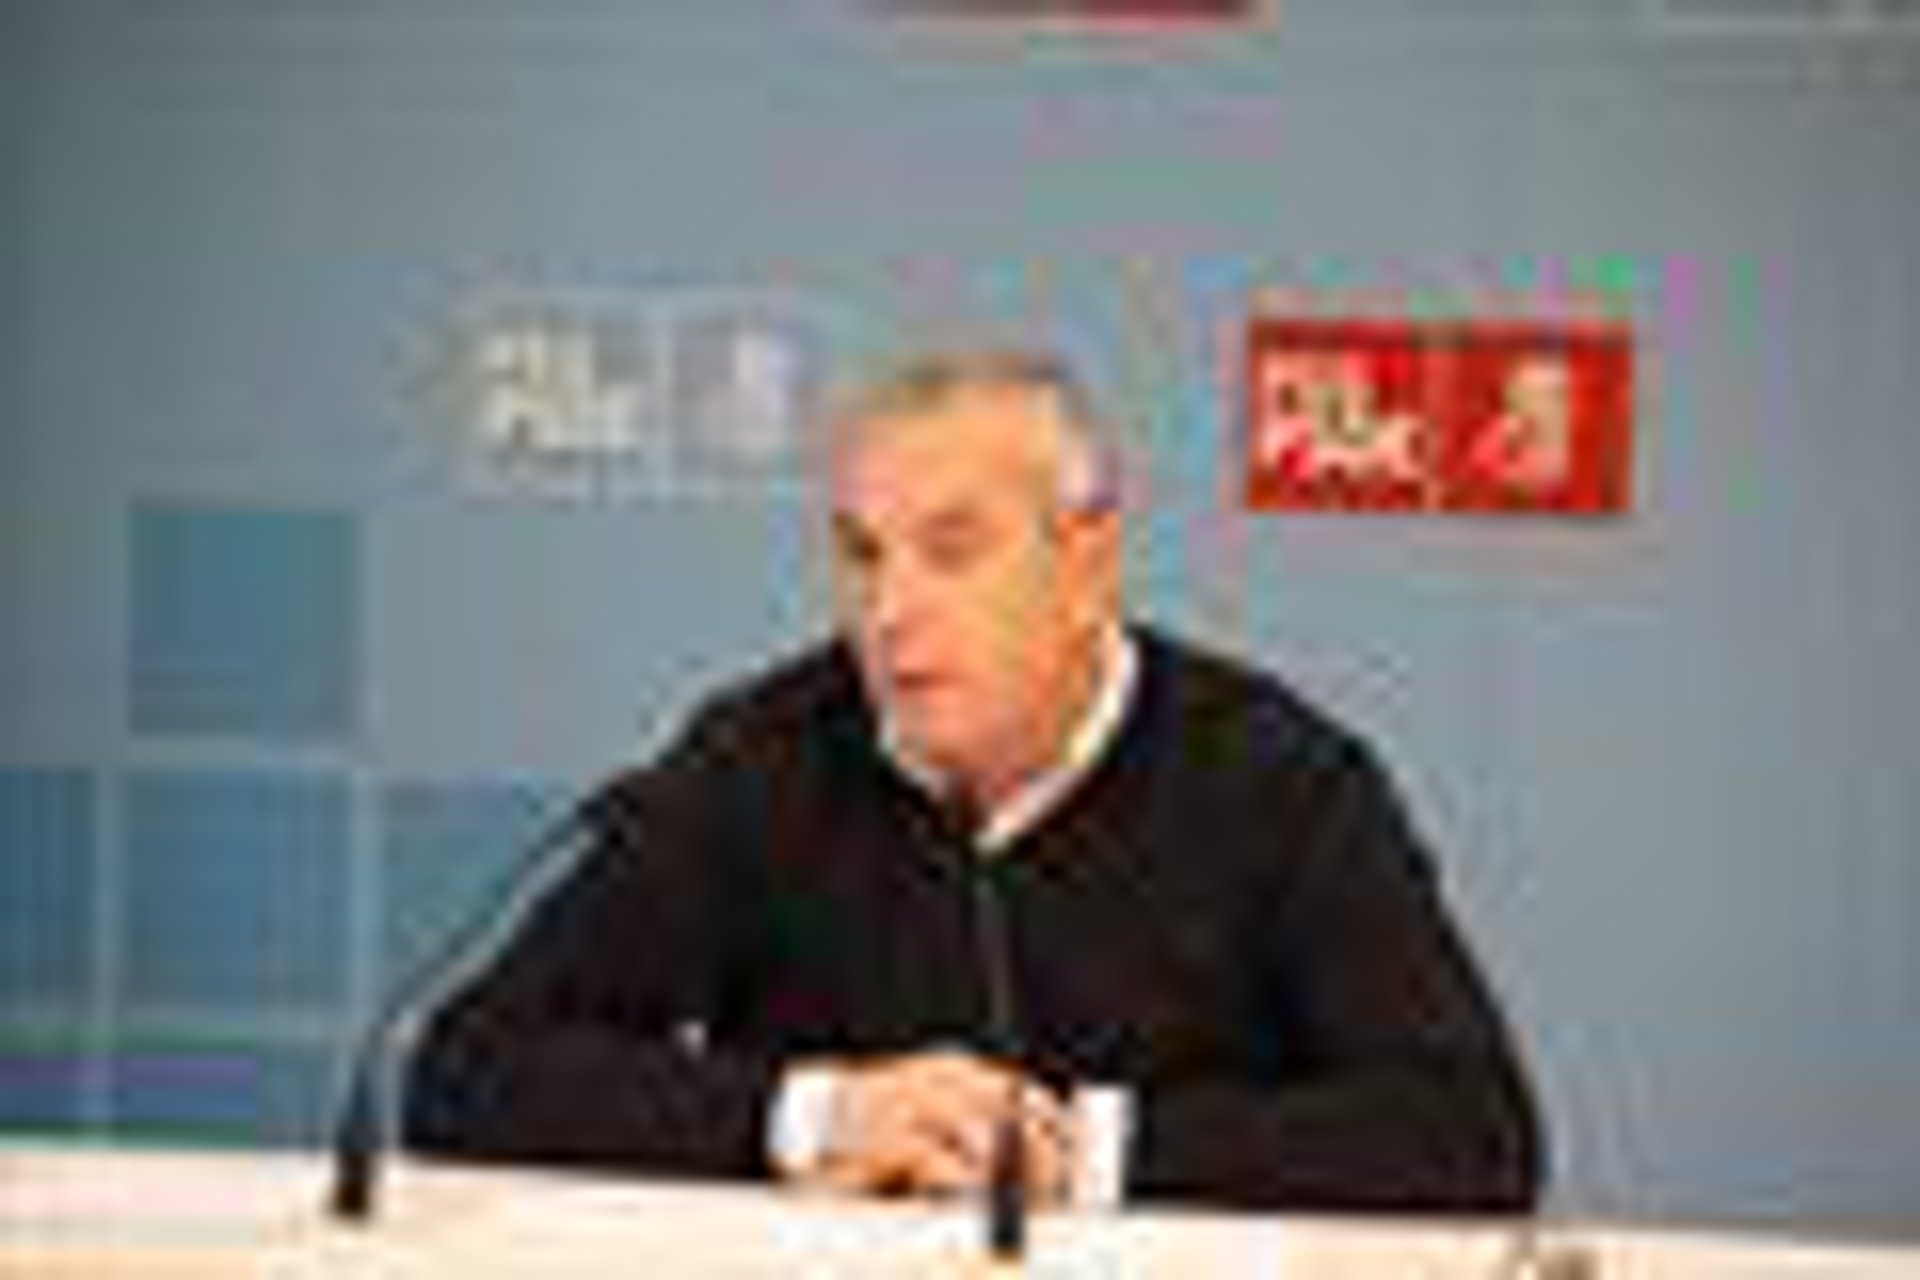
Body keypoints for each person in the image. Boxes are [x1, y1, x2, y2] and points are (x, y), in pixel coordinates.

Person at [404, 350, 1544, 1213]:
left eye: (951, 550)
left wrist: (1082, 1152)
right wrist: (817, 1116)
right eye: (863, 555)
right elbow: (467, 1071)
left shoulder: (1277, 778)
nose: (891, 610)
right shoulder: (763, 755)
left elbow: (1467, 1130)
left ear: (1087, 563)